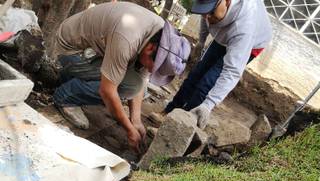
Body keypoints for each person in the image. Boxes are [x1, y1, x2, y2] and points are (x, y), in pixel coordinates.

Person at [52, 2, 191, 153]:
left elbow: (141, 79)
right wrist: (129, 129)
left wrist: (136, 121)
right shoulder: (127, 37)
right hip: (69, 51)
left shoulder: (161, 36)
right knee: (127, 87)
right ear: (151, 49)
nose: (152, 71)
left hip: (95, 48)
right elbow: (107, 91)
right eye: (154, 67)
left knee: (137, 87)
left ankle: (71, 79)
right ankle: (66, 96)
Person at [165, 0, 272, 129]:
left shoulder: (244, 29)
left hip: (253, 42)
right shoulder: (213, 10)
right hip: (226, 30)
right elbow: (205, 17)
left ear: (226, 1)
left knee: (207, 82)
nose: (207, 17)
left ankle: (181, 125)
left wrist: (208, 104)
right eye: (205, 12)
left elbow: (232, 71)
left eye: (211, 12)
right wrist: (201, 41)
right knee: (197, 73)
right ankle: (169, 111)